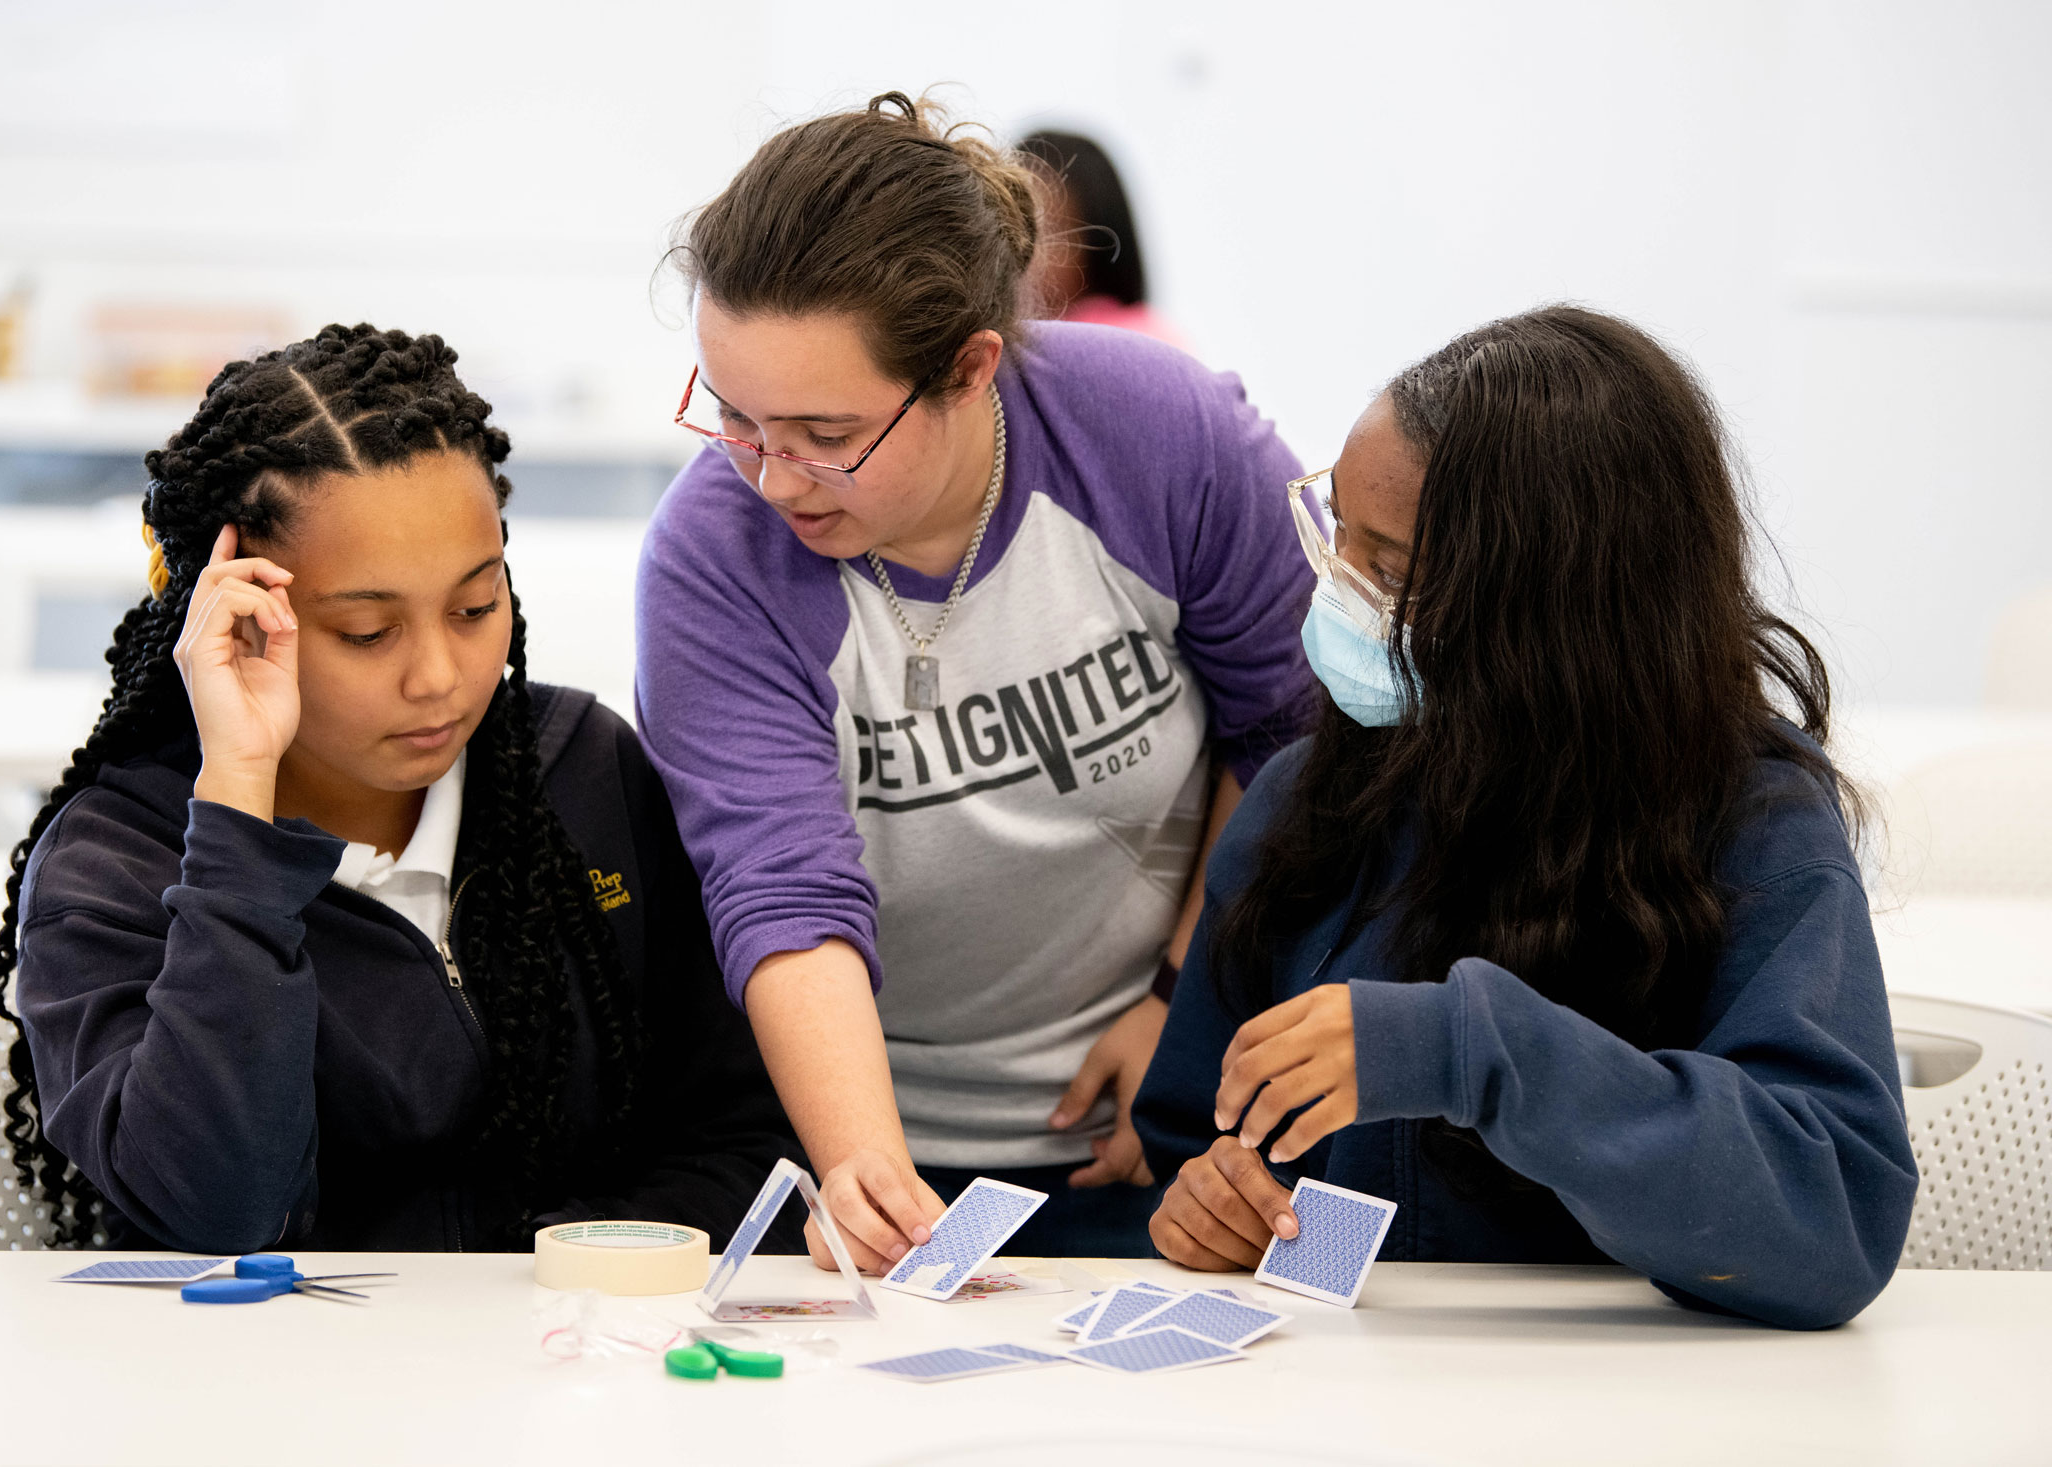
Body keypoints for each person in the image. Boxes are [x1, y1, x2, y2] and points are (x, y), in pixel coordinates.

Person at [1133, 306, 1918, 1330]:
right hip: (1343, 1392)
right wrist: (1206, 1207)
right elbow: (1196, 1134)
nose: (1340, 593)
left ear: (1555, 608)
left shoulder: (1752, 825)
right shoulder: (1302, 802)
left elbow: (1832, 1227)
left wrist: (1469, 1049)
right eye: (1341, 538)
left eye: (1397, 570)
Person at [638, 92, 1315, 1267]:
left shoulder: (1160, 435)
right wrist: (860, 1162)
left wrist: (1181, 1000)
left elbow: (1289, 741)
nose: (773, 479)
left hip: (1150, 1113)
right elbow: (780, 887)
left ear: (968, 368)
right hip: (849, 1111)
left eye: (823, 432)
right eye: (736, 418)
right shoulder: (712, 559)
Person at [0, 324, 796, 1253]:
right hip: (268, 1384)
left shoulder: (582, 772)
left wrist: (557, 1289)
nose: (440, 677)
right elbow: (220, 1212)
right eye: (368, 631)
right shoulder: (117, 862)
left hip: (571, 1362)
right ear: (239, 616)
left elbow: (743, 1137)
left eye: (475, 607)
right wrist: (240, 810)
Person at [1016, 128, 1183, 346]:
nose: (1027, 247)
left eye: (1053, 230)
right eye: (1017, 224)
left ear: (1098, 243)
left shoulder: (1138, 341)